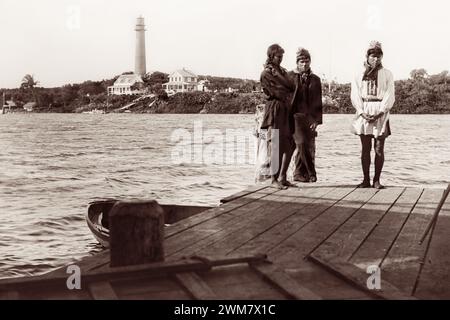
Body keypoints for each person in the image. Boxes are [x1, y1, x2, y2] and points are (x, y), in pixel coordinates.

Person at [350, 41, 395, 189]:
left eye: (378, 56)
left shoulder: (387, 74)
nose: (375, 59)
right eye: (372, 56)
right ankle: (365, 180)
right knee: (365, 148)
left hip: (381, 110)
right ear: (367, 56)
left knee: (379, 148)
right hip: (364, 109)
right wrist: (362, 112)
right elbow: (355, 94)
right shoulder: (358, 74)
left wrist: (381, 112)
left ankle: (377, 180)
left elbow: (389, 94)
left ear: (381, 57)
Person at [260, 44, 296, 189]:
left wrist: (284, 86)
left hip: (285, 110)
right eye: (278, 57)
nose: (280, 59)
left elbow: (291, 87)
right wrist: (284, 86)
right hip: (275, 109)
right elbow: (278, 91)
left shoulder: (280, 71)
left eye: (282, 57)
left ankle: (282, 176)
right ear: (271, 56)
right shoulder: (266, 73)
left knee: (288, 144)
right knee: (275, 144)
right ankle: (274, 179)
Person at [288, 47, 323, 183]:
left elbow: (318, 101)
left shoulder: (315, 79)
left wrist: (317, 120)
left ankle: (299, 173)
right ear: (297, 62)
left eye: (307, 61)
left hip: (309, 117)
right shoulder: (290, 76)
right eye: (301, 62)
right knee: (301, 142)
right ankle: (311, 172)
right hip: (295, 116)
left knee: (307, 144)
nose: (304, 64)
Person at [253, 103, 271, 183]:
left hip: (264, 132)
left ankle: (262, 175)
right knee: (263, 153)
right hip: (264, 132)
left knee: (263, 153)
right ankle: (262, 175)